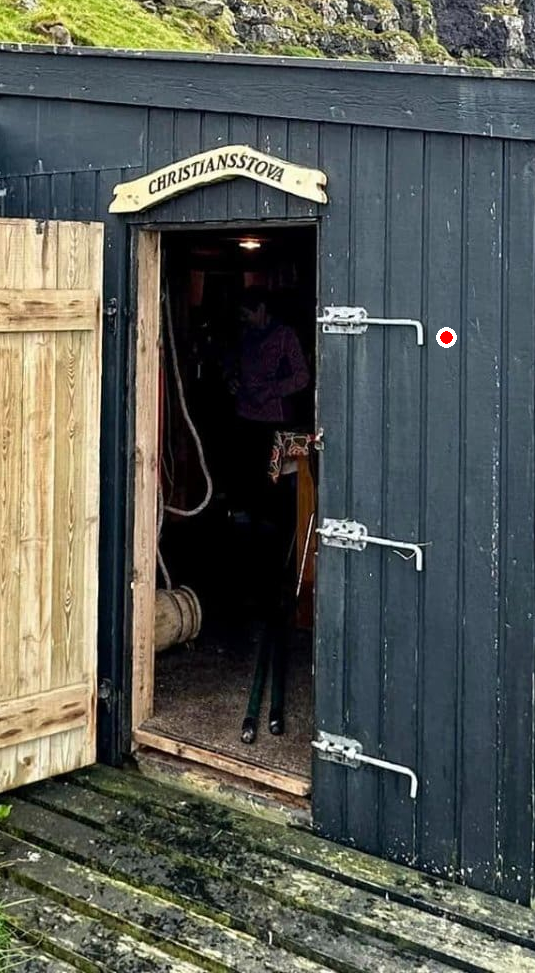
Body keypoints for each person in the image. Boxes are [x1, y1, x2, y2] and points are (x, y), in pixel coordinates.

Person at [224, 292, 310, 742]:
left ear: (263, 309)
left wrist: (271, 389)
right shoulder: (245, 337)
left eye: (249, 311)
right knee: (247, 491)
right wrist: (234, 383)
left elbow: (302, 376)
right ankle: (250, 555)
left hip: (274, 422)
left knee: (273, 491)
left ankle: (275, 553)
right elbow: (230, 368)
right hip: (244, 420)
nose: (246, 318)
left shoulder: (285, 336)